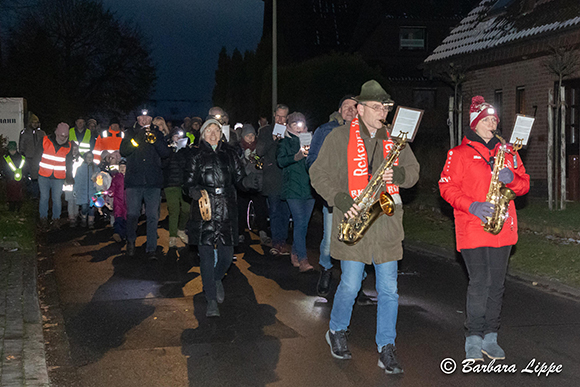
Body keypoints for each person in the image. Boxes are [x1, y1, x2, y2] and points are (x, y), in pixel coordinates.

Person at [310, 80, 420, 374]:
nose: (382, 111)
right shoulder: (339, 138)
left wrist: (397, 173)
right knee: (350, 284)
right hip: (354, 221)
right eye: (375, 107)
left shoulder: (395, 139)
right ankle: (336, 330)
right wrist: (341, 199)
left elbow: (413, 172)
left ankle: (386, 347)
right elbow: (317, 173)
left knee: (389, 290)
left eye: (385, 107)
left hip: (385, 225)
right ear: (359, 109)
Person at [439, 96, 530, 362]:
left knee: (497, 285)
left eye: (495, 120)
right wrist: (472, 205)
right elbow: (446, 187)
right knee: (480, 282)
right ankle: (473, 337)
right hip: (472, 226)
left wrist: (512, 178)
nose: (493, 123)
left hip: (502, 226)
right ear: (475, 124)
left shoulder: (508, 152)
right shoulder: (458, 153)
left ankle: (491, 336)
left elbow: (524, 185)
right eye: (487, 119)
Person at [183, 119, 244, 318]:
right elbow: (187, 182)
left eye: (216, 130)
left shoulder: (230, 154)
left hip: (226, 208)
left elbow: (240, 178)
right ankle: (210, 299)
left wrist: (251, 180)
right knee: (206, 257)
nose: (212, 133)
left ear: (221, 133)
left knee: (227, 257)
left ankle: (216, 279)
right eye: (208, 130)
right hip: (204, 209)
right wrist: (193, 191)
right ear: (202, 134)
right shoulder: (196, 155)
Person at [307, 94, 357, 296]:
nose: (350, 110)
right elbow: (312, 161)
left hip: (359, 197)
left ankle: (355, 282)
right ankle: (326, 269)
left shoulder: (367, 132)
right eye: (346, 106)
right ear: (339, 110)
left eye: (355, 106)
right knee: (330, 240)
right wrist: (327, 185)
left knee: (356, 240)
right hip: (334, 197)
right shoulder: (325, 130)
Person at [120, 110, 171, 260]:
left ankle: (151, 249)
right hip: (134, 181)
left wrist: (154, 140)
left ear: (151, 119)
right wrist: (136, 139)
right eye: (141, 117)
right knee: (133, 214)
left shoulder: (157, 133)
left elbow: (165, 153)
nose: (144, 119)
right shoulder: (130, 132)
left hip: (153, 182)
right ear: (137, 118)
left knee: (152, 216)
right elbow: (123, 151)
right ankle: (130, 242)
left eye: (147, 117)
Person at [277, 112, 315, 272]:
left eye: (302, 125)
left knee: (304, 225)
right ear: (289, 126)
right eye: (295, 125)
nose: (299, 128)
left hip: (309, 189)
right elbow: (280, 161)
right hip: (292, 189)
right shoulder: (285, 141)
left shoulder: (309, 139)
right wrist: (296, 156)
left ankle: (294, 252)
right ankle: (303, 259)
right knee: (299, 223)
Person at [256, 104, 291, 256]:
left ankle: (283, 241)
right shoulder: (265, 131)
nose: (280, 119)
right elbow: (260, 151)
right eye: (278, 116)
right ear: (274, 115)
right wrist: (273, 139)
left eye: (283, 116)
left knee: (286, 212)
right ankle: (277, 242)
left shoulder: (291, 131)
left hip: (288, 178)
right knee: (275, 211)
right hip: (272, 177)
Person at [34, 122, 74, 230]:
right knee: (44, 198)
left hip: (58, 177)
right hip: (43, 175)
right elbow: (37, 156)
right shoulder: (45, 140)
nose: (63, 138)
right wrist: (34, 173)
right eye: (62, 135)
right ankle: (43, 219)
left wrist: (69, 178)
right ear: (56, 132)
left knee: (57, 199)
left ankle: (56, 219)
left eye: (65, 136)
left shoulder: (69, 146)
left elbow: (69, 163)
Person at [236, 124, 269, 245]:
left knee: (261, 208)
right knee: (241, 208)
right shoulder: (238, 148)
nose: (250, 138)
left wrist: (255, 159)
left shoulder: (260, 148)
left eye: (252, 135)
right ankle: (239, 232)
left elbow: (263, 164)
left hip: (258, 183)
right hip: (244, 184)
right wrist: (244, 159)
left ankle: (263, 231)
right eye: (247, 136)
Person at [164, 128, 191, 248]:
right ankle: (173, 236)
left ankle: (181, 229)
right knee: (174, 210)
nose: (178, 138)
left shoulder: (186, 151)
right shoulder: (166, 150)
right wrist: (171, 151)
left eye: (181, 137)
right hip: (170, 184)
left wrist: (182, 151)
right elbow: (163, 165)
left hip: (184, 184)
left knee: (186, 209)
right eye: (176, 136)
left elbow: (187, 166)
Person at [19, 112, 45, 198]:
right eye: (33, 122)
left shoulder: (41, 133)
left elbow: (46, 144)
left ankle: (37, 194)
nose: (35, 124)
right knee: (29, 177)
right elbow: (22, 144)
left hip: (39, 158)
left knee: (38, 177)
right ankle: (31, 194)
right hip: (28, 157)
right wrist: (22, 153)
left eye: (36, 122)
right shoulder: (25, 133)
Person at [73, 151, 99, 229]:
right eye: (88, 157)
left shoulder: (96, 168)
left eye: (91, 157)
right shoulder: (80, 169)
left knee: (91, 208)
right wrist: (75, 190)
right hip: (83, 192)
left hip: (93, 192)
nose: (89, 158)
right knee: (84, 207)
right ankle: (83, 218)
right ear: (85, 158)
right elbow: (77, 180)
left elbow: (100, 180)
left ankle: (91, 221)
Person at [2, 141, 25, 212]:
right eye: (10, 150)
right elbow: (3, 167)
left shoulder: (21, 157)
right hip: (9, 178)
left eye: (13, 150)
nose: (12, 151)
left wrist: (25, 175)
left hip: (20, 179)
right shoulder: (5, 158)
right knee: (10, 193)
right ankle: (11, 207)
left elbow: (25, 167)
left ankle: (18, 207)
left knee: (18, 193)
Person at [110, 159, 128, 242]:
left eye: (124, 166)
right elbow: (112, 187)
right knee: (118, 217)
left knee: (126, 218)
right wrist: (110, 192)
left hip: (128, 201)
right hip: (118, 201)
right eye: (121, 167)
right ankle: (117, 233)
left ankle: (123, 235)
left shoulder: (130, 177)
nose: (122, 168)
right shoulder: (116, 177)